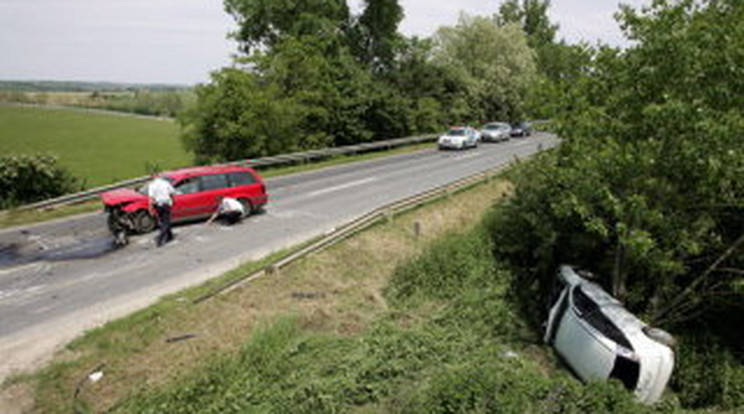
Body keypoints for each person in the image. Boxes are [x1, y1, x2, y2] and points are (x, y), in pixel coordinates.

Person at [147, 176, 176, 247]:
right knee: (166, 222)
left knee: (163, 220)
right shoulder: (166, 183)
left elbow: (151, 198)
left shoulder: (152, 185)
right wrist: (173, 201)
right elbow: (172, 193)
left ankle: (170, 236)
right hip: (166, 204)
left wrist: (150, 208)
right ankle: (160, 238)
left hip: (158, 205)